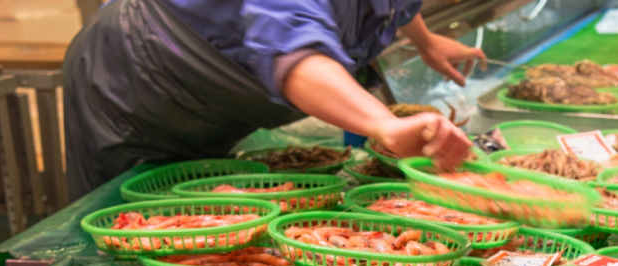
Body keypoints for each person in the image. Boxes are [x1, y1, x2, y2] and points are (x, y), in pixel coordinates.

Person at [62, 0, 481, 196]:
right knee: (133, 217)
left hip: (228, 93)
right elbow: (296, 55)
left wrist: (426, 43)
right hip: (141, 82)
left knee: (211, 208)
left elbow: (395, 5)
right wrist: (383, 125)